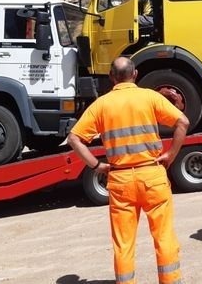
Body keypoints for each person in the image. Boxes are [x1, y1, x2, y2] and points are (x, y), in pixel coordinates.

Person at [67, 57, 189, 284]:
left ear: (112, 77)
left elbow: (74, 138)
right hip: (152, 175)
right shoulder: (150, 97)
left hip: (120, 178)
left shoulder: (101, 105)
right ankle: (171, 280)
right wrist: (171, 154)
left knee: (123, 242)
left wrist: (96, 165)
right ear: (135, 74)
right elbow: (183, 122)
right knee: (163, 235)